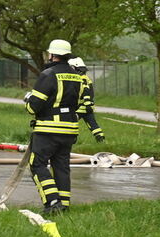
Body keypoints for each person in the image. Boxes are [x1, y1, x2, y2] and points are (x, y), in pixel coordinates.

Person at [24, 40, 104, 216]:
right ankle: (64, 204)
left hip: (48, 129)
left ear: (52, 55)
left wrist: (28, 99)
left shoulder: (48, 74)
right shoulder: (77, 76)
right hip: (69, 129)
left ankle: (52, 202)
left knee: (37, 164)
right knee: (61, 166)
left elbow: (33, 107)